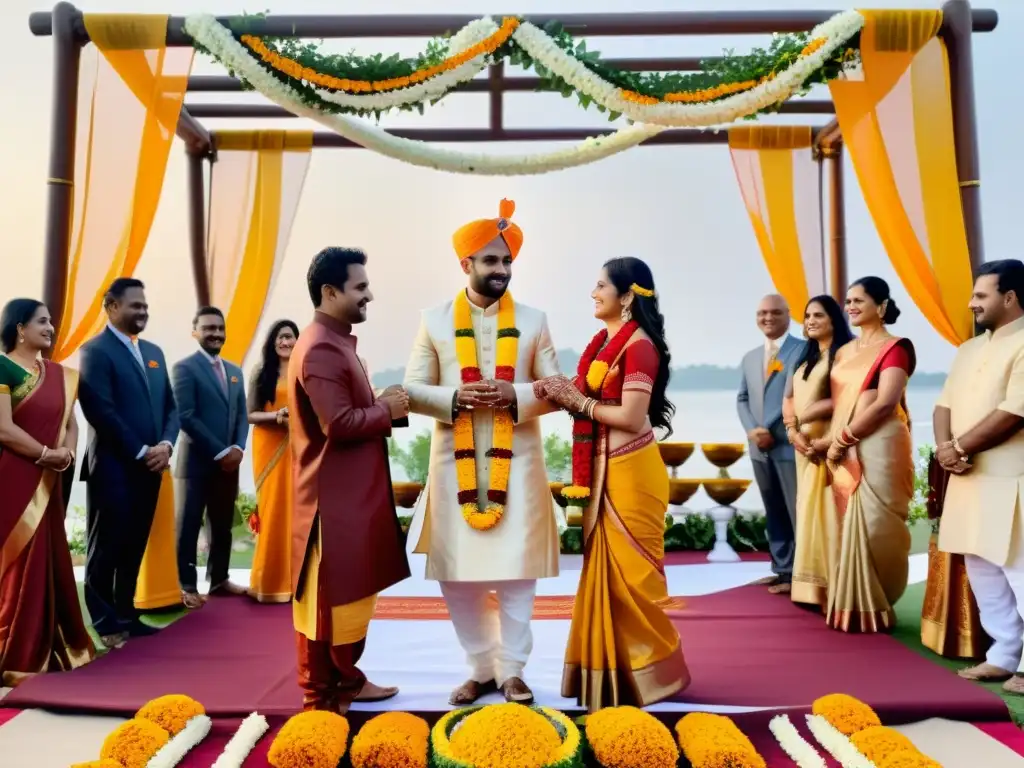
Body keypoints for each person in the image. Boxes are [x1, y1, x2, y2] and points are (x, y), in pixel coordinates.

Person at [404, 199, 561, 706]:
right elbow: (411, 388)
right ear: (465, 264)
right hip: (455, 465)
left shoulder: (535, 320)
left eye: (507, 261)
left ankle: (513, 671)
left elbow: (557, 386)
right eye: (490, 261)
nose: (501, 270)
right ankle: (480, 668)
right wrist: (455, 398)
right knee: (458, 576)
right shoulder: (433, 320)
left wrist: (515, 396)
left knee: (518, 572)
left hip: (519, 464)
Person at [535, 257, 690, 712]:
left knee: (632, 581)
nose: (593, 292)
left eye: (601, 285)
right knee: (603, 578)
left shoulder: (639, 347)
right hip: (605, 471)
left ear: (626, 296)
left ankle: (651, 677)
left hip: (630, 473)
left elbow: (630, 416)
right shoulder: (604, 345)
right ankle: (609, 680)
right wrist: (559, 393)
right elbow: (587, 396)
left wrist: (577, 400)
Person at [289, 247, 410, 713]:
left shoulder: (335, 340)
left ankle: (348, 682)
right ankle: (322, 701)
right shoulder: (321, 345)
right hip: (330, 503)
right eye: (360, 288)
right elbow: (337, 424)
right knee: (326, 607)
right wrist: (387, 411)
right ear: (330, 291)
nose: (370, 296)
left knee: (351, 600)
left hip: (349, 498)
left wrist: (383, 406)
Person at [936, 259, 1024, 692]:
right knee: (981, 564)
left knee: (1019, 567)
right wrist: (943, 449)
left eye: (980, 295)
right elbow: (943, 406)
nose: (972, 303)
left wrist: (959, 448)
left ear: (1009, 298)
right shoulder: (968, 350)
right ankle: (1005, 654)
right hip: (968, 476)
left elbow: (1013, 412)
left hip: (1012, 476)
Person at [78, 278, 179, 648]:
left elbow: (170, 406)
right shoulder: (95, 351)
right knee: (106, 547)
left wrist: (166, 444)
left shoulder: (153, 351)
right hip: (113, 468)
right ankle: (105, 623)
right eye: (135, 305)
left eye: (145, 306)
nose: (143, 312)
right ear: (111, 306)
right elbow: (99, 410)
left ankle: (128, 615)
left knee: (134, 544)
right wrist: (141, 450)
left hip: (151, 468)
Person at [0, 299, 94, 685]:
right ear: (20, 328)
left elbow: (71, 422)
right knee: (16, 561)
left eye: (51, 321)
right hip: (13, 477)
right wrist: (44, 454)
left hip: (50, 477)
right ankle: (13, 652)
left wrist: (66, 453)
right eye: (42, 321)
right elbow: (3, 429)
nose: (51, 327)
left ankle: (46, 644)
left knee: (46, 557)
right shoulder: (2, 368)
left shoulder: (59, 374)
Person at [821, 276, 914, 633]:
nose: (851, 307)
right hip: (842, 446)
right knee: (846, 520)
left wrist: (844, 437)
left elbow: (887, 402)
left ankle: (879, 601)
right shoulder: (844, 352)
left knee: (877, 525)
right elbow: (840, 401)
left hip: (879, 443)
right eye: (847, 301)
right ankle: (849, 604)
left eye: (859, 300)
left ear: (883, 306)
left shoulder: (896, 348)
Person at [172, 306, 250, 609]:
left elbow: (242, 415)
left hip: (229, 464)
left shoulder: (234, 371)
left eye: (219, 327)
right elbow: (186, 416)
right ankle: (187, 586)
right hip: (195, 464)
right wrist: (220, 451)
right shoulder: (184, 368)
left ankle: (219, 579)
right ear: (195, 332)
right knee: (189, 525)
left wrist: (238, 449)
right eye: (208, 328)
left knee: (222, 524)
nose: (216, 333)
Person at [782, 295, 853, 609]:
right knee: (808, 509)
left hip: (828, 445)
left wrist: (809, 418)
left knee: (830, 511)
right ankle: (809, 588)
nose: (810, 321)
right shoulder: (804, 356)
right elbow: (788, 398)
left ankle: (834, 587)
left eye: (818, 316)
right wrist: (792, 431)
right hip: (803, 446)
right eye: (807, 315)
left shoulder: (844, 356)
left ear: (834, 319)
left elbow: (848, 399)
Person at [737, 294, 806, 594]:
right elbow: (742, 399)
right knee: (773, 510)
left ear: (788, 315)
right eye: (762, 312)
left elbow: (799, 397)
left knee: (796, 510)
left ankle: (803, 574)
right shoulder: (750, 357)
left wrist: (771, 428)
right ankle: (782, 569)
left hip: (789, 444)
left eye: (775, 312)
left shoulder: (802, 350)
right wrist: (753, 430)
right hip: (759, 448)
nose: (768, 318)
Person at [247, 319, 299, 604]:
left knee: (294, 512)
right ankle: (267, 582)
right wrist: (277, 416)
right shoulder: (261, 373)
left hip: (298, 448)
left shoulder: (304, 370)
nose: (285, 342)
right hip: (269, 446)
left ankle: (293, 583)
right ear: (272, 342)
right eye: (280, 337)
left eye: (290, 337)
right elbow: (251, 414)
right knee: (272, 511)